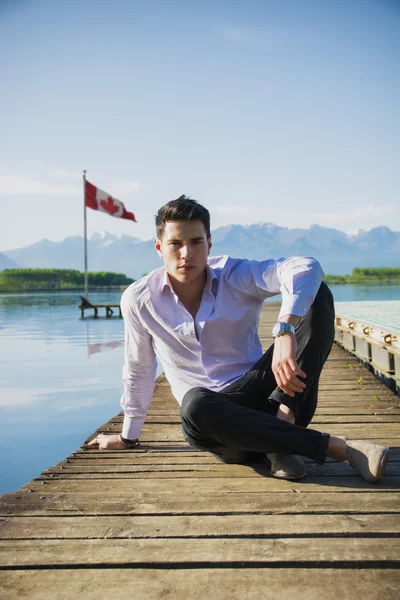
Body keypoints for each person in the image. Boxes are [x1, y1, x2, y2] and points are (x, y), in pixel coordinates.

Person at [89, 195, 389, 483]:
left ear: (209, 244)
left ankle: (282, 429)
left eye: (196, 242)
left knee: (317, 294)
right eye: (176, 244)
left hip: (281, 397)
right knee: (194, 404)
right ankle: (337, 448)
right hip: (219, 424)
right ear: (159, 247)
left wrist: (285, 329)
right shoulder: (140, 300)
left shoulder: (234, 275)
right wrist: (128, 437)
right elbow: (139, 368)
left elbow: (306, 267)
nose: (186, 254)